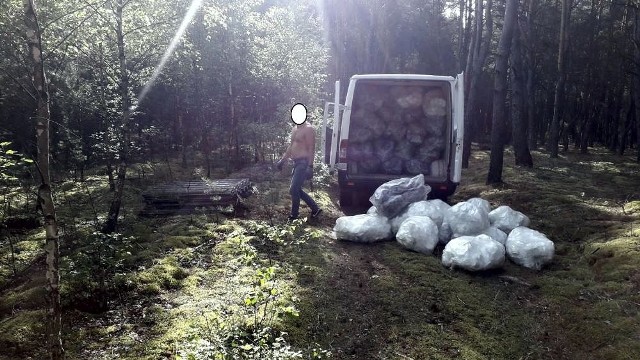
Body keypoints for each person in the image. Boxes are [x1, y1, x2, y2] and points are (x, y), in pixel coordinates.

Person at [276, 104, 322, 221]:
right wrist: (282, 160)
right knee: (295, 189)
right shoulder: (295, 128)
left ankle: (294, 215)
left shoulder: (309, 129)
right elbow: (291, 147)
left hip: (303, 163)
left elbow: (312, 148)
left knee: (294, 188)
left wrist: (310, 166)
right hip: (296, 163)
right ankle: (315, 209)